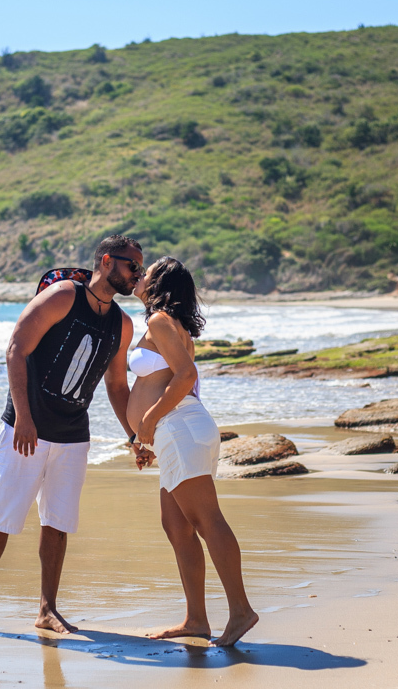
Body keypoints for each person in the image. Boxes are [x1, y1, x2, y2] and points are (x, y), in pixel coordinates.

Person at [0, 235, 142, 638]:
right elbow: (16, 349)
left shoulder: (122, 325)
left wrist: (134, 435)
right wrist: (23, 416)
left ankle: (47, 609)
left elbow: (116, 385)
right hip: (28, 429)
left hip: (74, 434)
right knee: (1, 516)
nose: (137, 276)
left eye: (140, 270)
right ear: (107, 261)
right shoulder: (62, 296)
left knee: (57, 522)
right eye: (132, 267)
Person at [129, 256, 258, 647]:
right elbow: (172, 378)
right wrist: (149, 438)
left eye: (146, 273)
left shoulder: (159, 320)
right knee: (177, 526)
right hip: (176, 431)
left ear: (159, 284)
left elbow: (187, 377)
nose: (139, 276)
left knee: (206, 519)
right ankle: (197, 619)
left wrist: (147, 423)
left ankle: (240, 611)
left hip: (179, 427)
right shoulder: (171, 324)